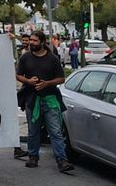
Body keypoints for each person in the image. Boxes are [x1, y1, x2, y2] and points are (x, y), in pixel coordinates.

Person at [16, 31, 74, 172]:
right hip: (32, 100)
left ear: (42, 42)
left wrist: (47, 83)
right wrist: (28, 81)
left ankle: (62, 160)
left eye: (35, 41)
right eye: (30, 40)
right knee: (33, 131)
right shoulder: (25, 58)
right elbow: (18, 75)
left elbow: (61, 78)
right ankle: (33, 157)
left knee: (55, 131)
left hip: (50, 100)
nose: (31, 43)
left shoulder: (52, 58)